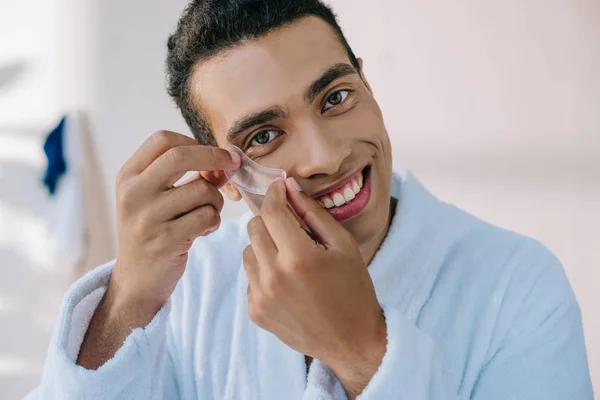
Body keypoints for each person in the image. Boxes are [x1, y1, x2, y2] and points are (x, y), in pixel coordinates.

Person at [28, 0, 593, 399]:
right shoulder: (189, 288)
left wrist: (362, 354)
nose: (325, 155)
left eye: (337, 96)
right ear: (224, 175)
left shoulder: (518, 284)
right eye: (264, 136)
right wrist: (127, 299)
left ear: (368, 86)